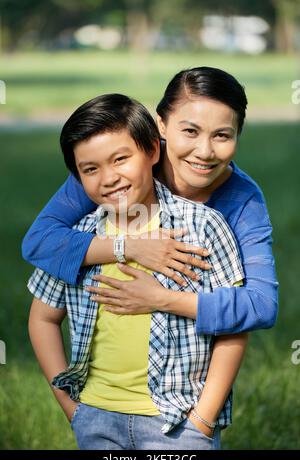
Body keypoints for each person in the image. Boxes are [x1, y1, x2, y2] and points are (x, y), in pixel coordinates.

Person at [27, 93, 247, 450]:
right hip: (96, 417)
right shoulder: (76, 240)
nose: (109, 178)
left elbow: (231, 323)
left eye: (121, 159)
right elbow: (42, 319)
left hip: (177, 422)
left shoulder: (201, 227)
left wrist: (202, 420)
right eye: (90, 169)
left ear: (152, 151)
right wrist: (73, 409)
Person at [22, 66, 278, 336]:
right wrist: (129, 247)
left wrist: (161, 300)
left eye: (222, 135)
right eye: (190, 131)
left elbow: (261, 305)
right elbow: (40, 241)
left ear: (238, 134)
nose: (205, 152)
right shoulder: (120, 167)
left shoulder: (243, 198)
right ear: (162, 125)